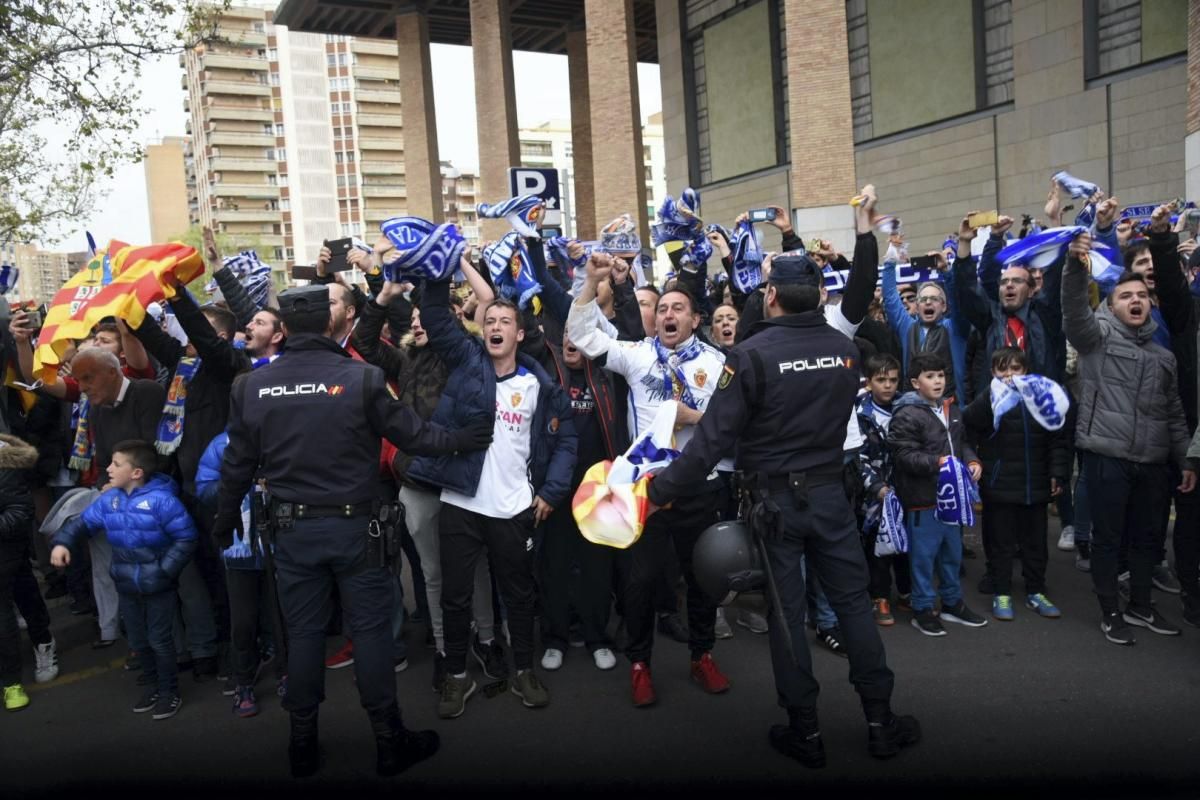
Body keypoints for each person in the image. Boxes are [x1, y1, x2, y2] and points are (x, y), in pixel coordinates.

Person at [646, 252, 918, 768]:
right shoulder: (845, 351)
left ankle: (806, 732)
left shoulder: (750, 355)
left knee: (788, 615)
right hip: (830, 495)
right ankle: (881, 722)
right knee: (854, 605)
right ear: (819, 297)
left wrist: (658, 492)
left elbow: (709, 441)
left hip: (774, 503)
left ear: (770, 295)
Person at [212, 283, 492, 778]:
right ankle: (389, 740)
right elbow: (414, 435)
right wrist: (463, 439)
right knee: (370, 635)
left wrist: (225, 516)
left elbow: (237, 462)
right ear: (329, 323)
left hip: (291, 531)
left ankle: (302, 744)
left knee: (302, 636)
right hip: (355, 530)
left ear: (284, 328)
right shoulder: (361, 379)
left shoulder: (251, 386)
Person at [403, 276, 577, 720]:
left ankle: (523, 670)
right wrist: (438, 273)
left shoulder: (539, 385)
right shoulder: (466, 362)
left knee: (518, 597)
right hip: (461, 504)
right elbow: (439, 320)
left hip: (514, 509)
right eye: (490, 320)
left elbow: (566, 440)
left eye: (506, 321)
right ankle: (457, 678)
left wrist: (552, 492)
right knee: (456, 597)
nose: (497, 326)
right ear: (483, 330)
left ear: (520, 334)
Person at [567, 254, 731, 709]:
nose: (667, 315)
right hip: (647, 490)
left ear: (696, 319)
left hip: (700, 485)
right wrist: (591, 282)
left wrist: (691, 416)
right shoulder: (637, 354)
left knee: (702, 580)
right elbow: (582, 334)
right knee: (639, 581)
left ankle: (702, 655)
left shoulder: (718, 364)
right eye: (661, 309)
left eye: (677, 309)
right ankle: (640, 664)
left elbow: (732, 423)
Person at [1060, 232, 1194, 645]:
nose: (1135, 300)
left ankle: (1140, 605)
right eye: (1124, 296)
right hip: (1107, 457)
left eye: (1141, 295)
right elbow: (1073, 313)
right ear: (1111, 305)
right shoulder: (1095, 342)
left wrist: (1185, 461)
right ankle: (1110, 612)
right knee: (1109, 539)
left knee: (1148, 540)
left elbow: (1173, 414)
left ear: (1150, 303)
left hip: (1154, 462)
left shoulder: (1164, 357)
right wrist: (1073, 268)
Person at [50, 440, 197, 721]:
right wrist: (63, 543)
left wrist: (164, 571)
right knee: (139, 640)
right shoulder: (110, 500)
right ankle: (153, 686)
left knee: (160, 640)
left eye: (116, 464)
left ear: (137, 472)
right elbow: (81, 524)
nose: (108, 468)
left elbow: (186, 538)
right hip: (126, 584)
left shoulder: (163, 501)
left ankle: (169, 692)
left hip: (158, 586)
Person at [962, 347, 1071, 621]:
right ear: (993, 373)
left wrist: (1058, 472)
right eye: (1002, 369)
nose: (1009, 375)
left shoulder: (1041, 397)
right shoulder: (988, 399)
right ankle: (1001, 591)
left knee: (1036, 544)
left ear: (1026, 371)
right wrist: (975, 461)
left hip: (1035, 485)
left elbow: (1057, 438)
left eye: (1015, 369)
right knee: (1000, 542)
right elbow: (966, 427)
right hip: (999, 486)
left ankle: (1036, 590)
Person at [888, 352, 988, 637]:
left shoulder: (952, 409)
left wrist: (972, 461)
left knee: (952, 554)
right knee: (923, 557)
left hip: (952, 499)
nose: (937, 381)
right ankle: (922, 608)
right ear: (914, 382)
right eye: (930, 376)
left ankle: (952, 603)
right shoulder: (907, 413)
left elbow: (963, 442)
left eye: (941, 375)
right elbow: (903, 454)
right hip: (923, 499)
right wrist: (937, 462)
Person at [0, 434, 56, 711]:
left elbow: (20, 511)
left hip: (7, 549)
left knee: (20, 597)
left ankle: (40, 646)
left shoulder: (4, 461)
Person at [855, 353, 911, 626]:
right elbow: (857, 456)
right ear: (869, 382)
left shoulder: (908, 407)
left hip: (906, 489)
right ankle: (879, 597)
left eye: (892, 380)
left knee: (906, 545)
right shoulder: (860, 412)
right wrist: (875, 486)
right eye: (881, 380)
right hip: (874, 496)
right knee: (878, 547)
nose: (887, 386)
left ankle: (906, 591)